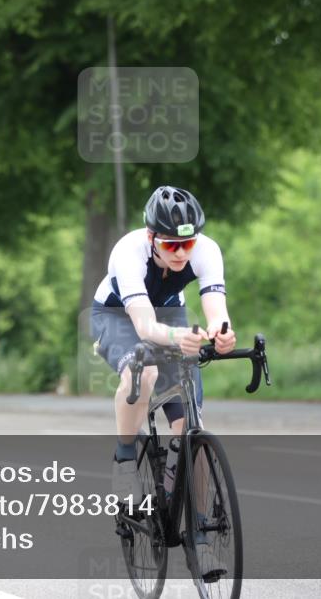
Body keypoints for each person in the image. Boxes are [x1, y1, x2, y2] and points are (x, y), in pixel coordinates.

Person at [90, 185, 236, 577]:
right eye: (171, 245)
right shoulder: (128, 251)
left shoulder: (206, 250)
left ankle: (200, 539)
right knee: (145, 370)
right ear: (153, 237)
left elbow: (215, 307)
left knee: (191, 426)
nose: (181, 253)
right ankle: (124, 457)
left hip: (169, 314)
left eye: (187, 244)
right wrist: (178, 339)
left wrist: (222, 333)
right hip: (118, 314)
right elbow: (143, 325)